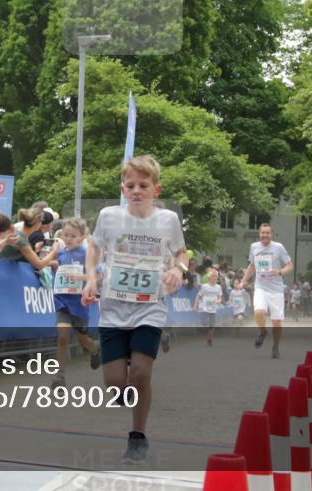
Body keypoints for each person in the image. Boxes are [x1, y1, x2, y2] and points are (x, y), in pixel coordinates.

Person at [82, 155, 186, 463]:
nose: (137, 190)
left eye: (144, 185)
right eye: (131, 185)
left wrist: (178, 270)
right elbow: (94, 247)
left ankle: (138, 435)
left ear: (156, 189)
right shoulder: (109, 216)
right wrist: (90, 278)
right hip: (113, 309)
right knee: (116, 387)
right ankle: (119, 375)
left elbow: (181, 252)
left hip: (149, 308)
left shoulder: (167, 220)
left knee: (141, 373)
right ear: (123, 189)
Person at [47, 218, 101, 388]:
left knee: (83, 340)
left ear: (82, 237)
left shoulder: (86, 254)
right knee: (62, 337)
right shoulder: (61, 253)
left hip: (80, 303)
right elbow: (56, 266)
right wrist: (55, 265)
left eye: (73, 235)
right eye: (66, 235)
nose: (68, 238)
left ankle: (95, 350)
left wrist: (82, 278)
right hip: (63, 301)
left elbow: (98, 276)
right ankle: (59, 376)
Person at [242, 223, 293, 359]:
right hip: (260, 287)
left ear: (271, 234)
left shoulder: (278, 247)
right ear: (259, 234)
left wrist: (280, 272)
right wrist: (243, 281)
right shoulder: (254, 247)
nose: (265, 235)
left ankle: (275, 346)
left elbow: (290, 265)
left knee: (276, 322)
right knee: (258, 312)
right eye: (262, 233)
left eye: (267, 233)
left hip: (276, 289)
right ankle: (263, 331)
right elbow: (252, 266)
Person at [194, 269, 223, 346]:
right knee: (204, 323)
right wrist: (195, 305)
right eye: (213, 276)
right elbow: (198, 295)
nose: (215, 278)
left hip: (213, 308)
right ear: (209, 278)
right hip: (205, 308)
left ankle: (210, 338)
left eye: (216, 277)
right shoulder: (205, 286)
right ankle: (207, 330)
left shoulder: (218, 287)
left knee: (212, 325)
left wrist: (219, 300)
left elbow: (220, 297)